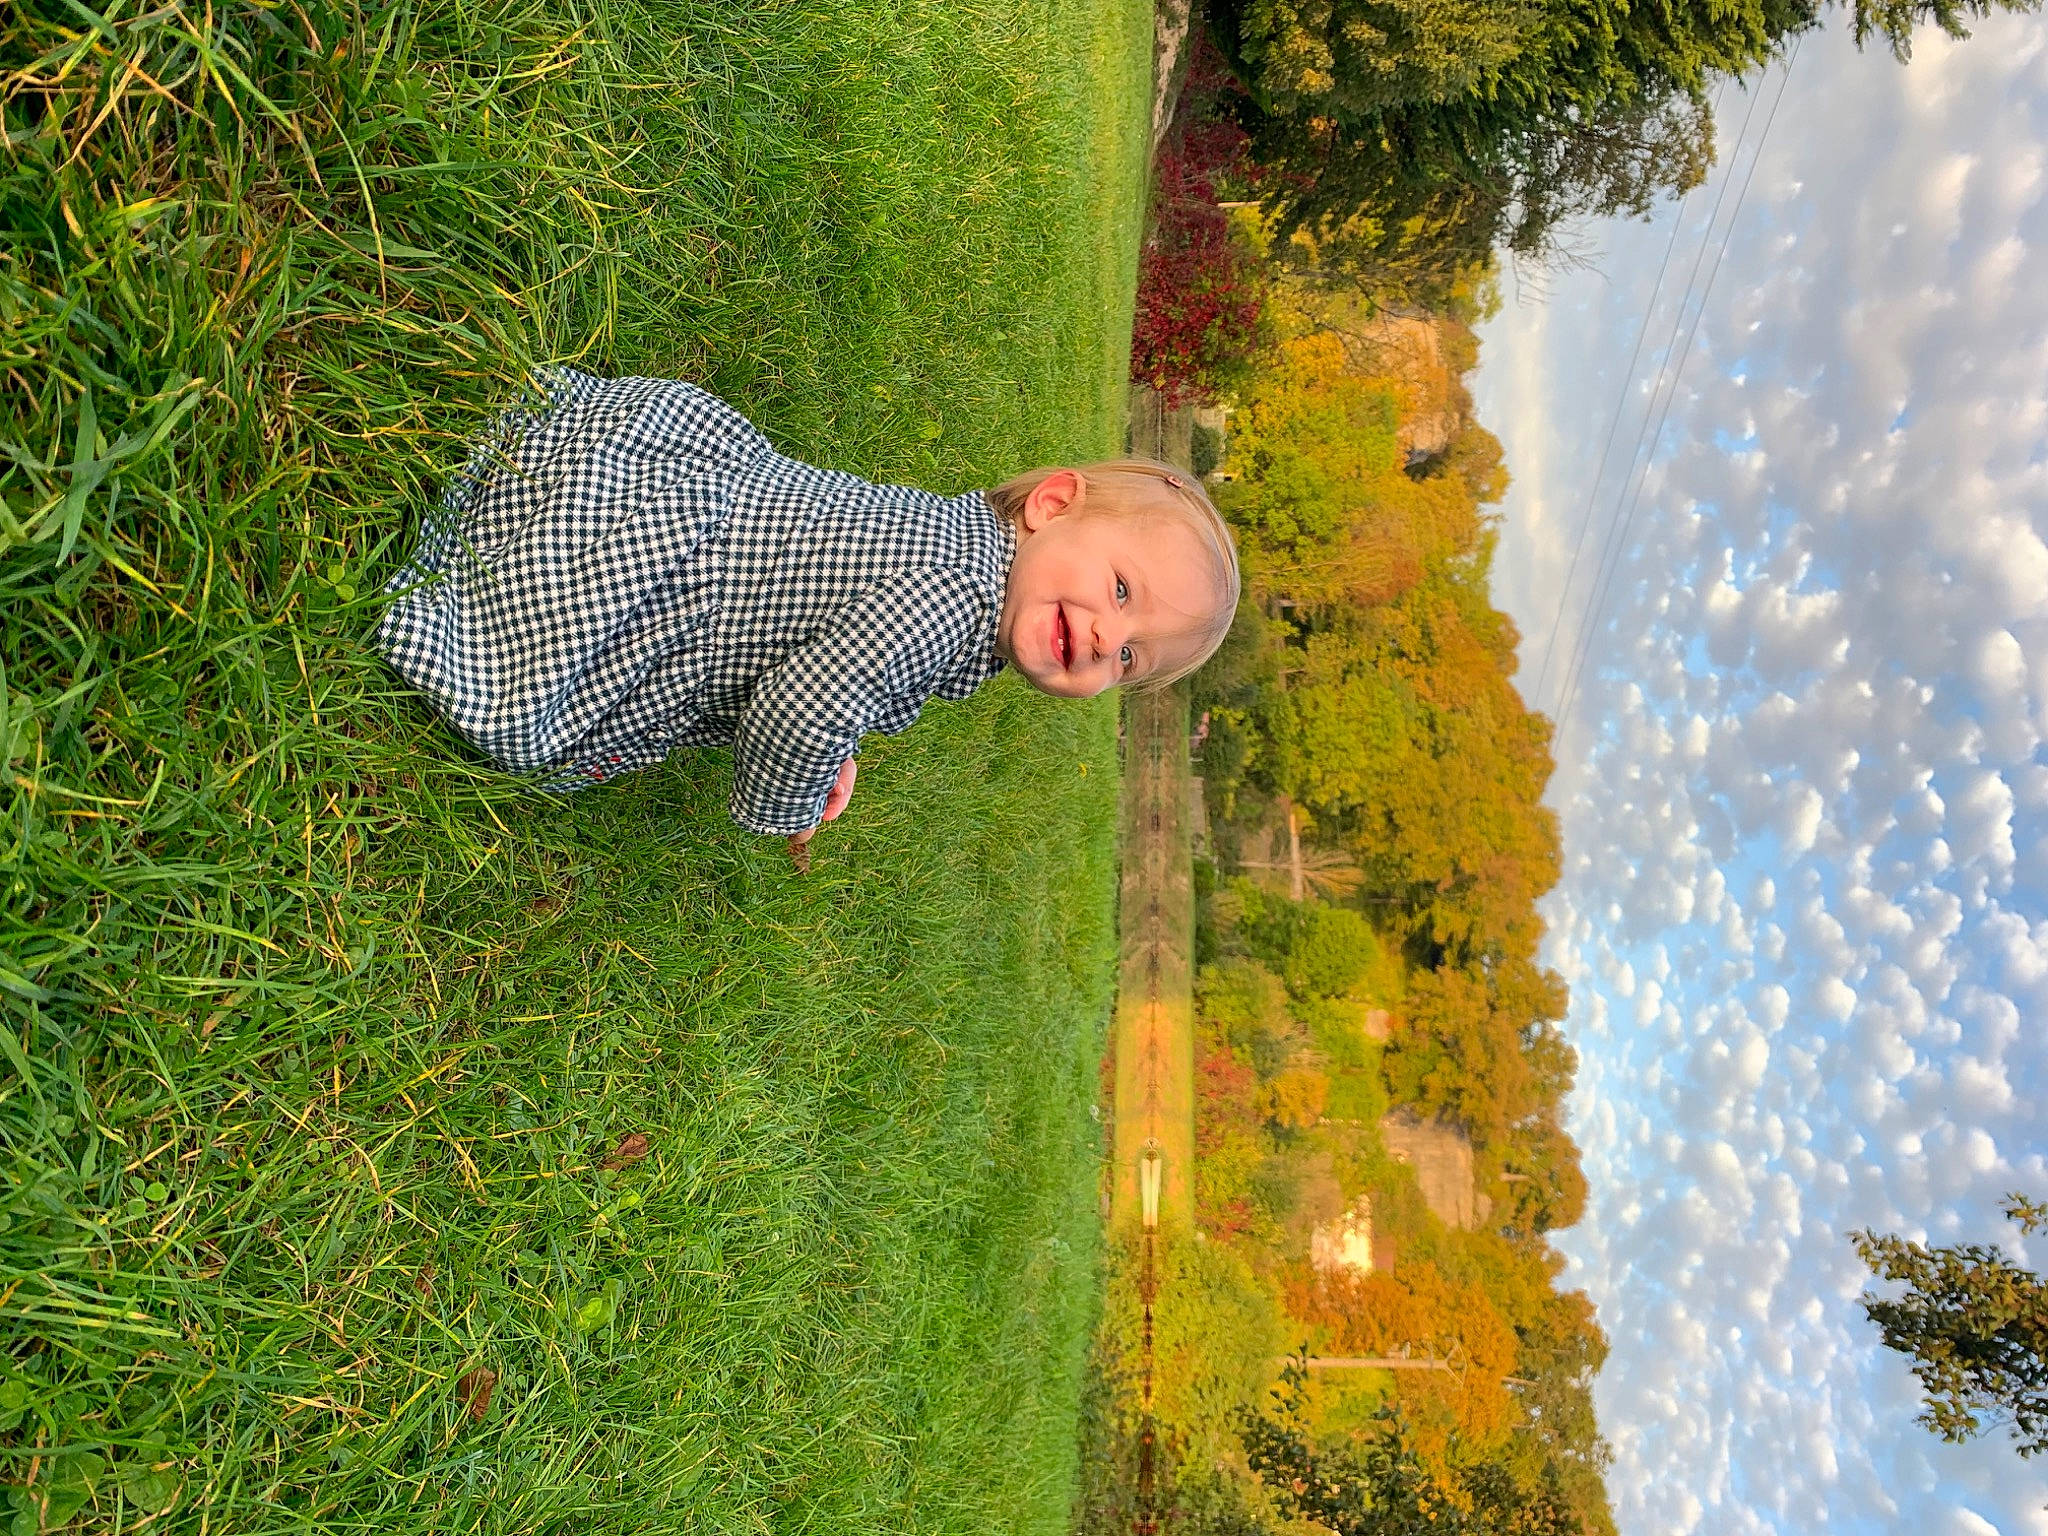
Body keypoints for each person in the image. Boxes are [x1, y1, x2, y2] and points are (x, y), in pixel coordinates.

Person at [376, 368, 1239, 856]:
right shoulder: (956, 602)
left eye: (1129, 659)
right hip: (654, 582)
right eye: (1121, 594)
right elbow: (799, 707)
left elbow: (835, 649)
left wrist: (839, 743)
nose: (1102, 638)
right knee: (531, 709)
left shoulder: (972, 543)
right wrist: (787, 808)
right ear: (1052, 503)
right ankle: (477, 585)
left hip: (695, 499)